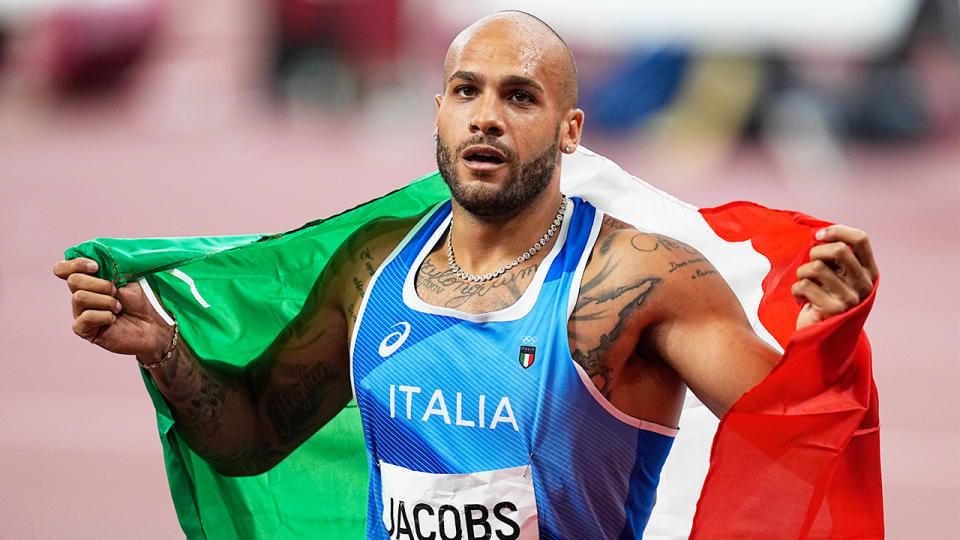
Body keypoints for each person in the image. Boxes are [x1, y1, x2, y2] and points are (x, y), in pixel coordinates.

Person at [53, 11, 878, 539]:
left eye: (521, 96)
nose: (486, 114)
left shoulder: (633, 279)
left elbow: (791, 442)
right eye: (465, 90)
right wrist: (162, 350)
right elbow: (255, 432)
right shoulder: (373, 266)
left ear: (569, 131)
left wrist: (823, 342)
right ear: (439, 112)